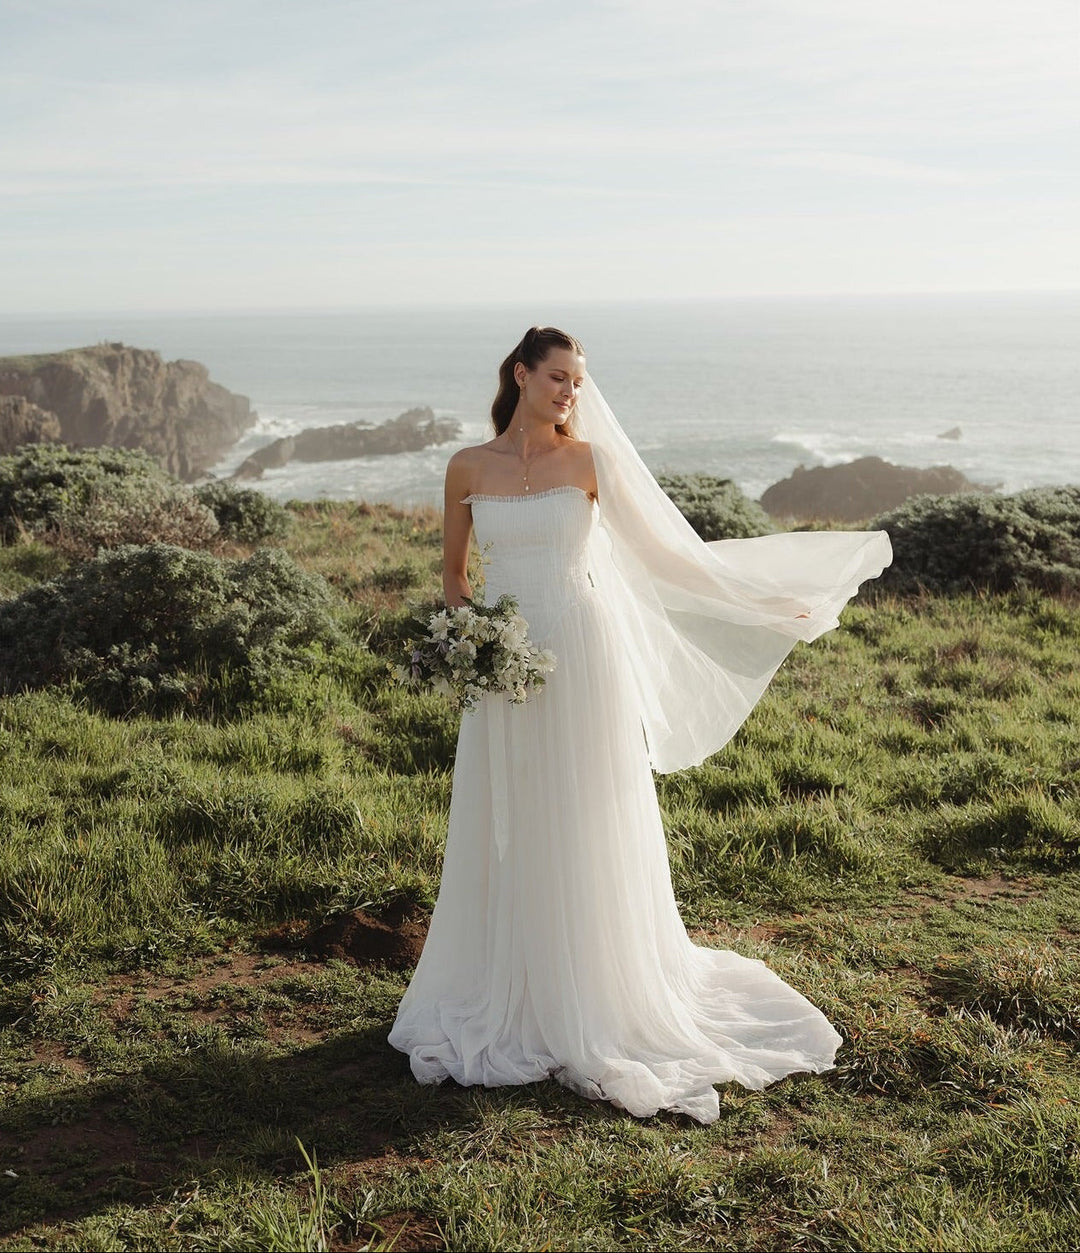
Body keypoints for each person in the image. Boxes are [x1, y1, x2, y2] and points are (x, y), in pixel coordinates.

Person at [388, 326, 892, 1123]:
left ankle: (593, 990)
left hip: (583, 655)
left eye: (577, 382)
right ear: (521, 374)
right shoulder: (467, 467)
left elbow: (668, 558)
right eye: (557, 377)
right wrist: (473, 643)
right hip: (504, 668)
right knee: (507, 817)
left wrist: (760, 605)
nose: (569, 393)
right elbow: (454, 577)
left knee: (585, 815)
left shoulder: (589, 462)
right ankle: (510, 983)